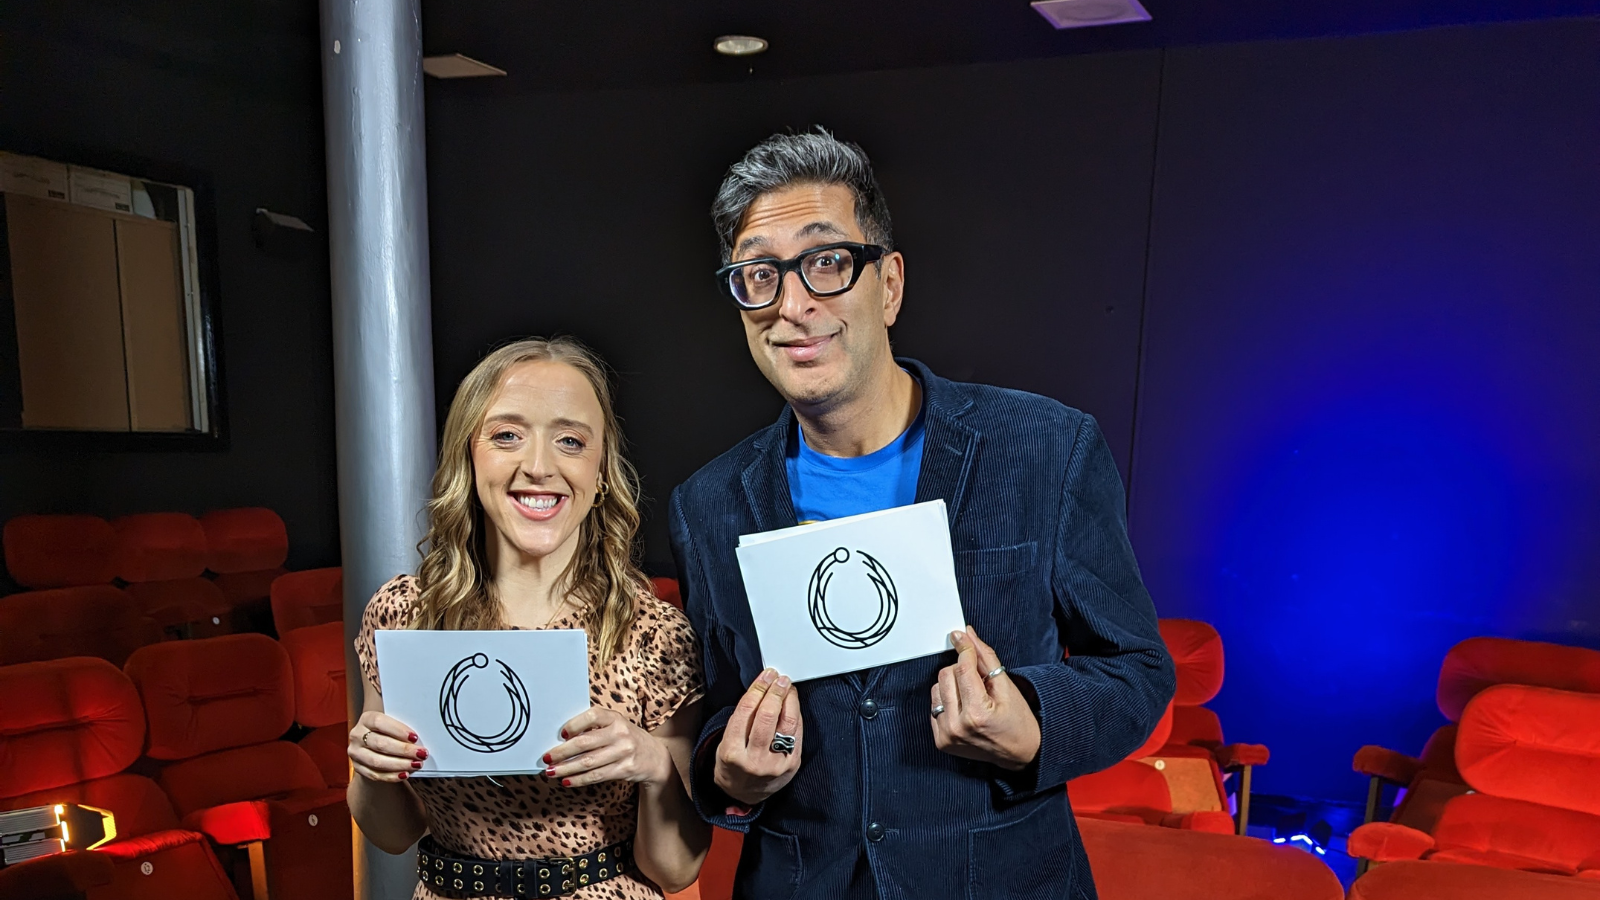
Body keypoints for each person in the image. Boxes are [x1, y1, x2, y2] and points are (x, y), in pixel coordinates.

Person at [668, 131, 1176, 899]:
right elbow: (715, 705)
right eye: (759, 275)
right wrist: (726, 769)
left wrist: (1033, 723)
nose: (793, 305)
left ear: (890, 284)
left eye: (828, 262)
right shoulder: (708, 502)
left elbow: (1138, 669)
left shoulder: (1045, 446)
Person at [348, 337, 709, 899]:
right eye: (507, 436)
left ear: (602, 472)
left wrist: (654, 765)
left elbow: (676, 870)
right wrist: (373, 769)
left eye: (570, 441)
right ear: (469, 457)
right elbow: (392, 835)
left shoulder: (655, 635)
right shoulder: (406, 615)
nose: (538, 467)